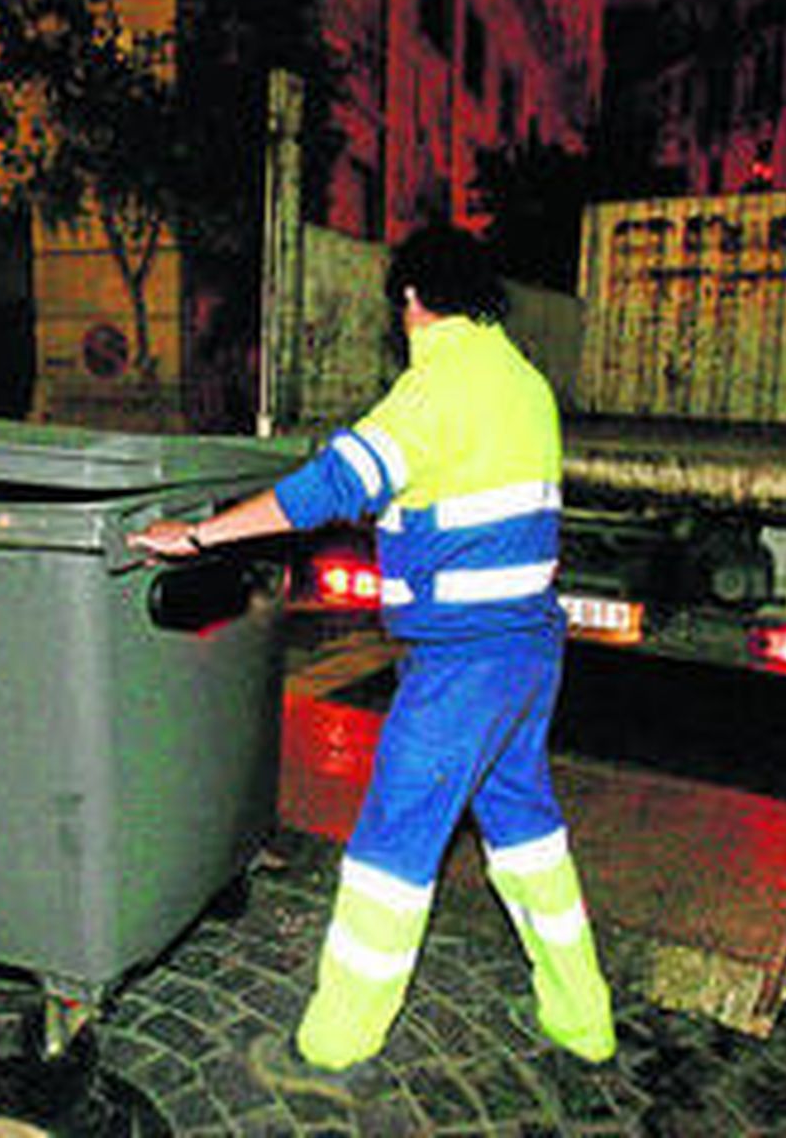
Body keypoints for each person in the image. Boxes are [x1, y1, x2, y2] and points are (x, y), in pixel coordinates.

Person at [129, 224, 616, 1099]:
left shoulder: (436, 388)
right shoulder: (525, 384)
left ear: (411, 301)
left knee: (392, 849)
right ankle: (581, 1018)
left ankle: (334, 1043)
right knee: (527, 831)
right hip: (531, 653)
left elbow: (326, 488)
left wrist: (197, 536)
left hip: (463, 666)